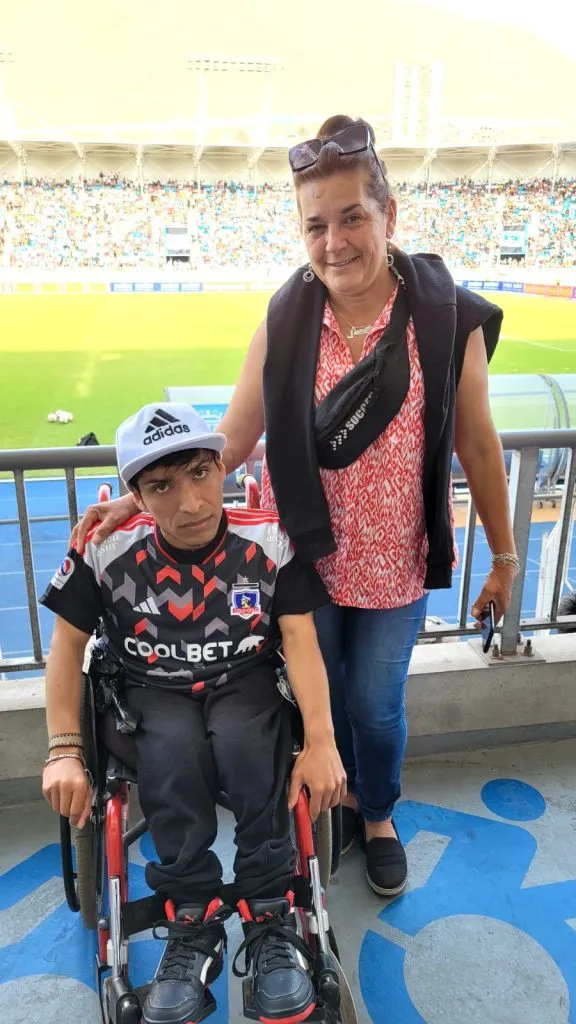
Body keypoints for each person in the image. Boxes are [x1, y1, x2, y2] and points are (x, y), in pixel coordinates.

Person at [73, 115, 519, 900]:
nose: (334, 241)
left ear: (390, 215)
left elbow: (480, 447)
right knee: (307, 700)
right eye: (316, 224)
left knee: (374, 708)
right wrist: (138, 507)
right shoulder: (285, 320)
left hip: (393, 560)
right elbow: (232, 444)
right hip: (294, 559)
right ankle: (330, 800)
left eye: (353, 217)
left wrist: (505, 556)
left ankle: (375, 812)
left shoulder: (446, 316)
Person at [41, 402, 346, 1024]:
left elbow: (302, 641)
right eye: (161, 487)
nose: (190, 504)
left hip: (245, 679)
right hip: (151, 688)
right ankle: (193, 922)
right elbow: (67, 647)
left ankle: (270, 914)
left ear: (223, 468)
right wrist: (64, 750)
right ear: (135, 496)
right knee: (172, 750)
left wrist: (322, 741)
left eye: (202, 475)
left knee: (247, 739)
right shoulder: (103, 547)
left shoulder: (267, 539)